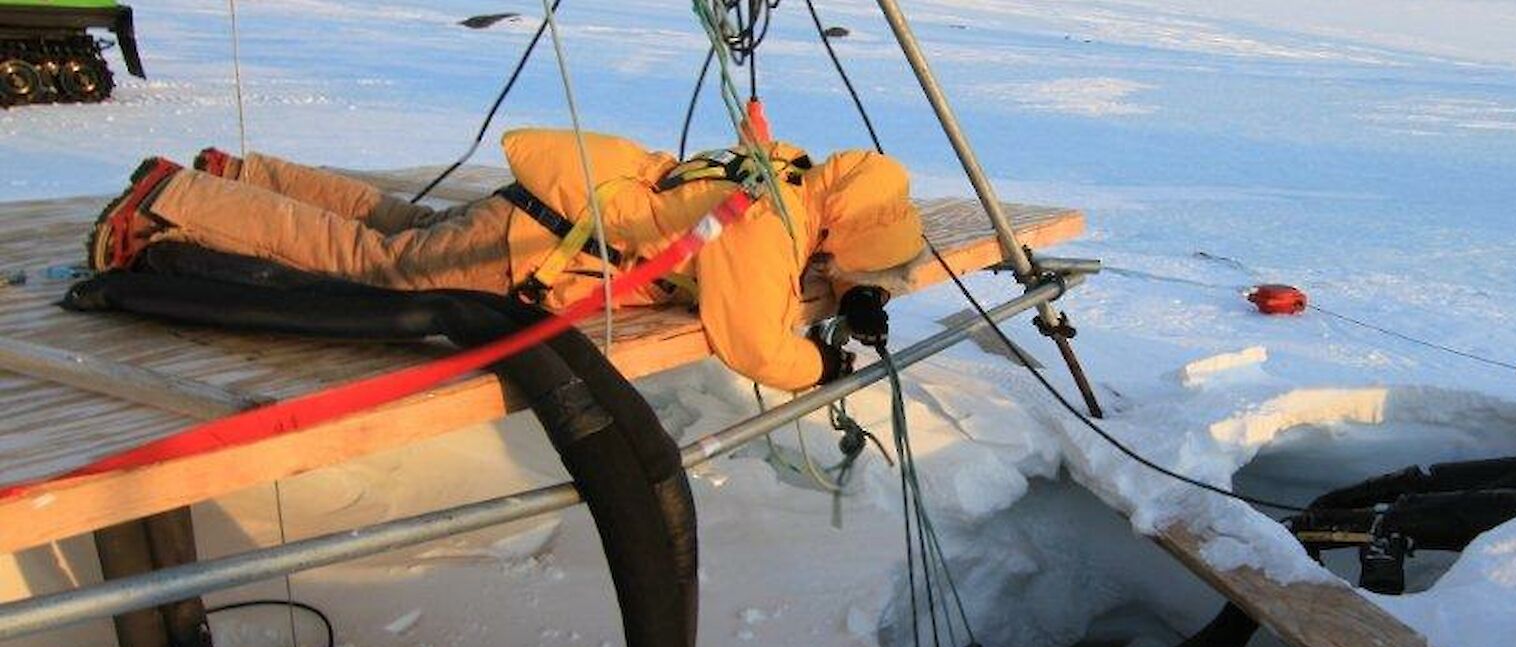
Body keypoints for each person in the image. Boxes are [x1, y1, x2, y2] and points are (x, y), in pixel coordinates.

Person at [84, 128, 923, 391]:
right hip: (538, 251)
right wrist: (818, 368)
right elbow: (749, 341)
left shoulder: (790, 173)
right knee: (375, 265)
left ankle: (244, 178)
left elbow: (822, 239)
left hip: (546, 213)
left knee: (401, 226)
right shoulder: (762, 231)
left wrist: (850, 291)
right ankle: (172, 202)